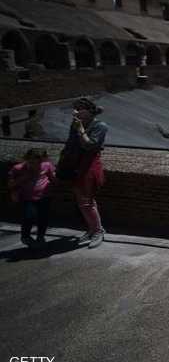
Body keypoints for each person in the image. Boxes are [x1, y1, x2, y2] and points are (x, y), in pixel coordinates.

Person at [62, 97, 109, 249]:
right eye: (75, 108)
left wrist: (80, 129)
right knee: (83, 201)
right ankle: (92, 228)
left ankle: (98, 231)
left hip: (88, 165)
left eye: (80, 108)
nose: (76, 111)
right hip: (75, 164)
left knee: (86, 201)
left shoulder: (100, 126)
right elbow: (70, 144)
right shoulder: (75, 124)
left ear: (89, 110)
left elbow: (90, 145)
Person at [8, 148, 56, 248]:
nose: (35, 166)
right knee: (29, 216)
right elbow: (10, 184)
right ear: (27, 159)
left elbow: (53, 178)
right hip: (28, 197)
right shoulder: (18, 168)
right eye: (31, 162)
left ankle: (40, 237)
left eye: (38, 163)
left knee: (43, 218)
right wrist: (25, 177)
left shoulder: (46, 165)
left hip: (45, 196)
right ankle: (25, 237)